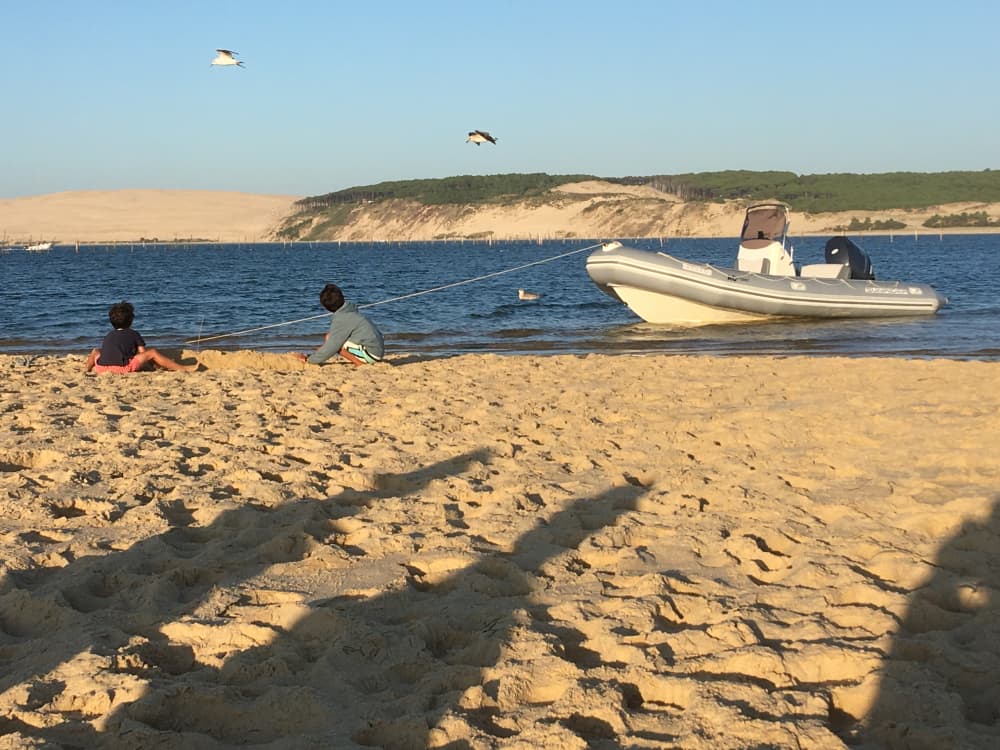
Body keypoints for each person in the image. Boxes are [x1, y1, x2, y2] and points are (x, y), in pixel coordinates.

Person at [84, 301, 197, 374]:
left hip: (101, 368)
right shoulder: (133, 334)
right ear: (131, 320)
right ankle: (183, 368)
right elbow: (143, 354)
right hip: (122, 368)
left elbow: (109, 350)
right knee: (152, 353)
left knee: (96, 351)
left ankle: (87, 369)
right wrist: (155, 366)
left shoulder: (109, 335)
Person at [294, 283, 384, 366]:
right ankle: (320, 353)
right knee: (331, 337)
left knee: (331, 340)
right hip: (377, 349)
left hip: (372, 354)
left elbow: (333, 345)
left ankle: (359, 363)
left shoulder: (342, 318)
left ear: (326, 307)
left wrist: (310, 360)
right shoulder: (349, 310)